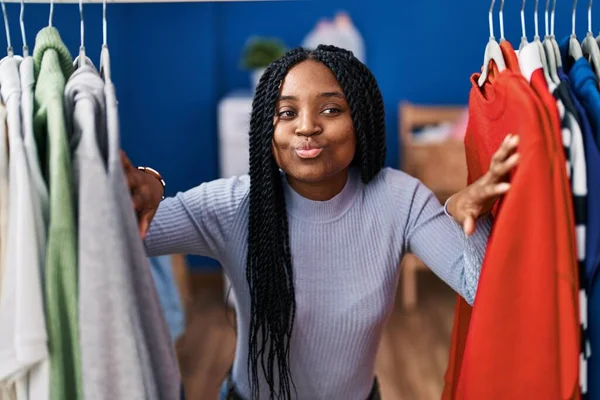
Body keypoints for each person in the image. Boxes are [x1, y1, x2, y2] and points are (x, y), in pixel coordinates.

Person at [122, 45, 519, 400]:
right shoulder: (233, 204)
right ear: (268, 129)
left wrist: (467, 216)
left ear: (359, 120)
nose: (306, 126)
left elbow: (482, 288)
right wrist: (148, 184)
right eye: (286, 112)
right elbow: (121, 236)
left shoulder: (399, 198)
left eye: (330, 109)